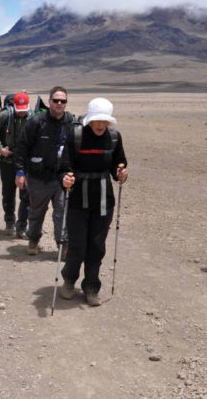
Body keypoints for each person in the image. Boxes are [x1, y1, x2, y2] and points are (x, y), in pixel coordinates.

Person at [58, 97, 127, 307]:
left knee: (97, 246)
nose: (100, 124)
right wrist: (65, 178)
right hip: (78, 199)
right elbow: (64, 166)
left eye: (104, 121)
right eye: (97, 120)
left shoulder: (114, 138)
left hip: (103, 200)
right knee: (77, 246)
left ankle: (91, 287)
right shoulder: (76, 136)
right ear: (90, 119)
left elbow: (118, 164)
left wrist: (121, 173)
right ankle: (69, 280)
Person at [15, 86, 77, 256]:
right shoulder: (36, 122)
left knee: (62, 212)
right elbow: (21, 147)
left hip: (61, 177)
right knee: (36, 212)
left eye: (62, 101)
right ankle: (33, 239)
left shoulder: (71, 123)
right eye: (56, 100)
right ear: (49, 102)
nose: (59, 103)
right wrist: (20, 172)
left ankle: (63, 246)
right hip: (38, 177)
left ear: (66, 103)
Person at [0, 92, 31, 237]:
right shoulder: (4, 116)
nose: (22, 113)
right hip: (7, 162)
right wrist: (0, 149)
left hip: (25, 163)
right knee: (8, 193)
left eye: (24, 110)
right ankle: (9, 222)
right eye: (19, 110)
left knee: (26, 195)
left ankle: (22, 227)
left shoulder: (32, 117)